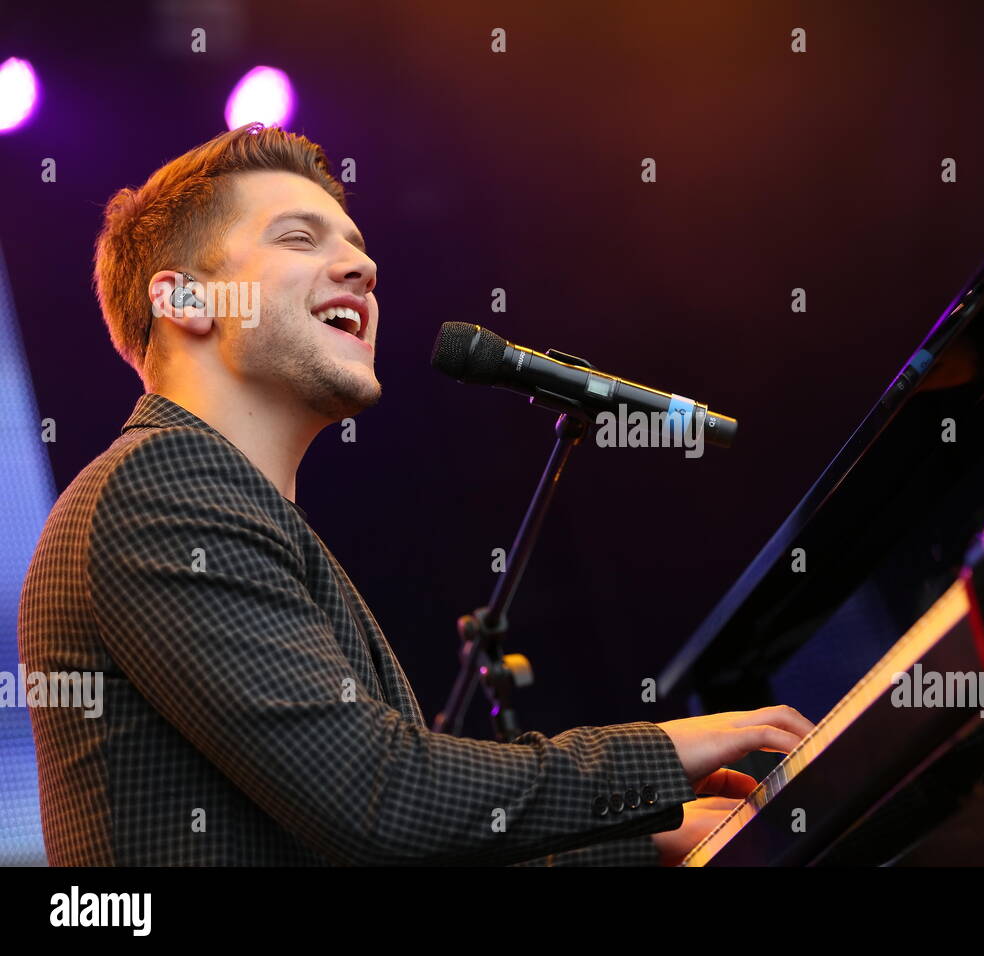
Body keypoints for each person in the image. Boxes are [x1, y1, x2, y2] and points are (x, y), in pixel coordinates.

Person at [17, 124, 813, 866]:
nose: (363, 267)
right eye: (299, 238)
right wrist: (662, 754)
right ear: (185, 300)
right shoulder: (162, 488)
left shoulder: (223, 503)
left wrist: (648, 839)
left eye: (357, 247)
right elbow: (375, 797)